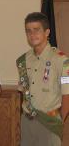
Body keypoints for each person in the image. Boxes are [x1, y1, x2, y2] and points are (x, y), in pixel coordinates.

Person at [16, 12, 69, 146]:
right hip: (27, 121)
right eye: (28, 31)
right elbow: (23, 92)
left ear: (47, 32)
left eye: (36, 30)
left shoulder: (62, 60)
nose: (32, 34)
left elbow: (66, 95)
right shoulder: (24, 60)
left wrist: (59, 121)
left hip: (49, 122)